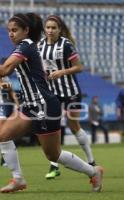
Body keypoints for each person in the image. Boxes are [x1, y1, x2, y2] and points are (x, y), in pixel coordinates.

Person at [0, 12, 103, 192]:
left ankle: (93, 172)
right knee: (3, 135)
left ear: (26, 31)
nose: (10, 34)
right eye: (9, 30)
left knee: (53, 154)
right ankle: (18, 179)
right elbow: (0, 70)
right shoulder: (24, 46)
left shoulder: (26, 46)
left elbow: (4, 69)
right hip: (30, 105)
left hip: (43, 105)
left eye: (15, 30)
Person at [38, 15, 96, 179]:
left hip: (70, 91)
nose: (50, 31)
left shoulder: (66, 44)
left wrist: (62, 72)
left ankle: (91, 161)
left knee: (73, 125)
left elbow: (79, 67)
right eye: (48, 27)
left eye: (53, 28)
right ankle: (54, 165)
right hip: (52, 92)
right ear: (44, 29)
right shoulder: (40, 45)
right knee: (53, 127)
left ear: (60, 29)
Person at [0, 52, 26, 193]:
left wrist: (16, 102)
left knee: (2, 133)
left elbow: (10, 89)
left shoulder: (1, 73)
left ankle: (5, 159)